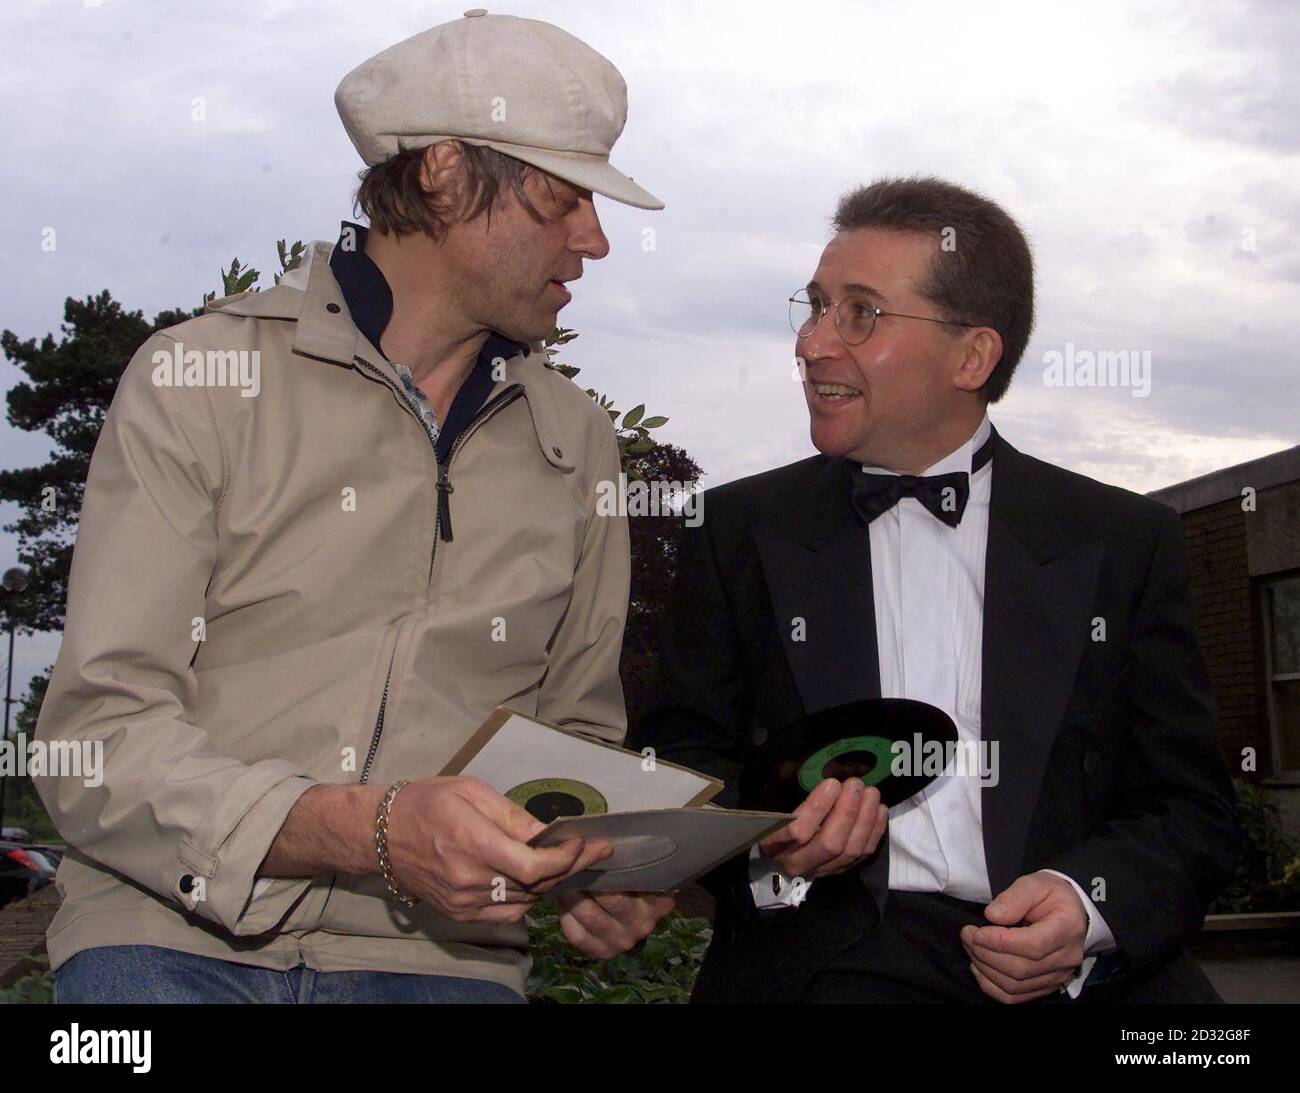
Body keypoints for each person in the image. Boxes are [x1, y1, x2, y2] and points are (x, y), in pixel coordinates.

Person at [36, 11, 672, 1005]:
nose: (593, 239)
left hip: (441, 966)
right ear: (448, 173)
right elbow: (98, 741)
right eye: (565, 197)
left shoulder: (579, 443)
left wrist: (603, 864)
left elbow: (573, 742)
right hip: (165, 940)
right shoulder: (200, 380)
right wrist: (369, 829)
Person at [631, 176, 1240, 1004]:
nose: (812, 343)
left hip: (1074, 981)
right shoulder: (738, 531)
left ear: (972, 356)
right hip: (824, 967)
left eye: (859, 312)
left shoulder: (1122, 543)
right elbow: (679, 762)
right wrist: (770, 848)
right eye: (813, 306)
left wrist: (1083, 903)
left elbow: (1191, 809)